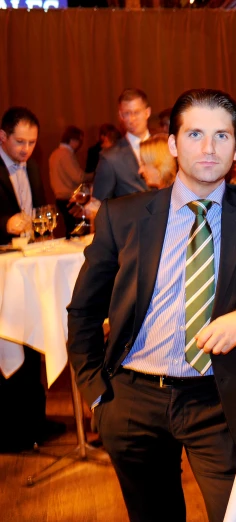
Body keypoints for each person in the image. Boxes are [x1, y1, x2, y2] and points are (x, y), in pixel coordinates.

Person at [66, 89, 236, 522]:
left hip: (217, 398)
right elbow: (84, 311)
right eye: (194, 134)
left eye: (222, 136)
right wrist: (97, 394)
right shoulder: (123, 216)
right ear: (172, 144)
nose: (208, 148)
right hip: (132, 398)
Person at [0, 107, 65, 452]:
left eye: (32, 142)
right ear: (3, 137)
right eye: (20, 142)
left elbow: (40, 210)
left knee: (30, 342)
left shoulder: (34, 166)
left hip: (25, 267)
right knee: (9, 341)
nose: (26, 149)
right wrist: (4, 224)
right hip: (2, 273)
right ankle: (12, 430)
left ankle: (35, 422)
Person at [93, 88, 152, 201]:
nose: (131, 119)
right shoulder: (110, 158)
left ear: (147, 112)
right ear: (120, 115)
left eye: (136, 112)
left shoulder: (167, 147)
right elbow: (100, 205)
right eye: (127, 114)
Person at [49, 125, 86, 238]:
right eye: (79, 141)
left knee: (70, 230)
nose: (80, 145)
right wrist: (96, 174)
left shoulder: (54, 154)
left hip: (59, 198)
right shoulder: (66, 154)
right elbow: (78, 177)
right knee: (77, 233)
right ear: (73, 140)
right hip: (70, 198)